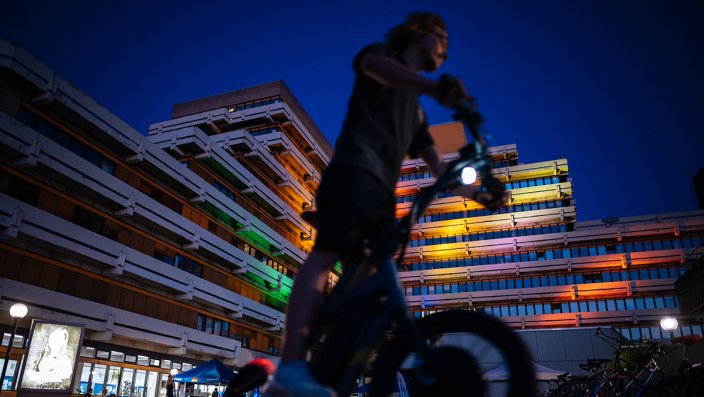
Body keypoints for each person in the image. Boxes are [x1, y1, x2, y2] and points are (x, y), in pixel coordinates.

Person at [263, 12, 507, 397]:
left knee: (374, 284)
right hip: (354, 171)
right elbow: (378, 68)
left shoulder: (416, 110)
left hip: (382, 198)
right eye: (440, 37)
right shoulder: (380, 58)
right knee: (326, 255)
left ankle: (329, 364)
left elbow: (439, 166)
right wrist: (434, 87)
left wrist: (478, 195)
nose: (445, 48)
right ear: (418, 32)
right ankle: (290, 367)